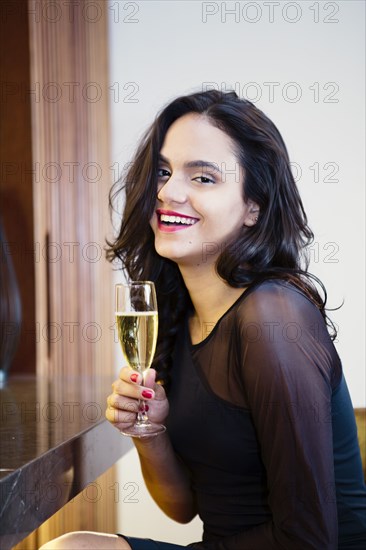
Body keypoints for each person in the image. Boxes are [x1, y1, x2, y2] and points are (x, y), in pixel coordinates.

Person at [39, 90, 366, 550]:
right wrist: (148, 434)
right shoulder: (179, 315)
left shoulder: (271, 320)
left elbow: (310, 539)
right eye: (164, 171)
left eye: (204, 178)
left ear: (254, 206)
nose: (169, 192)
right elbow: (183, 507)